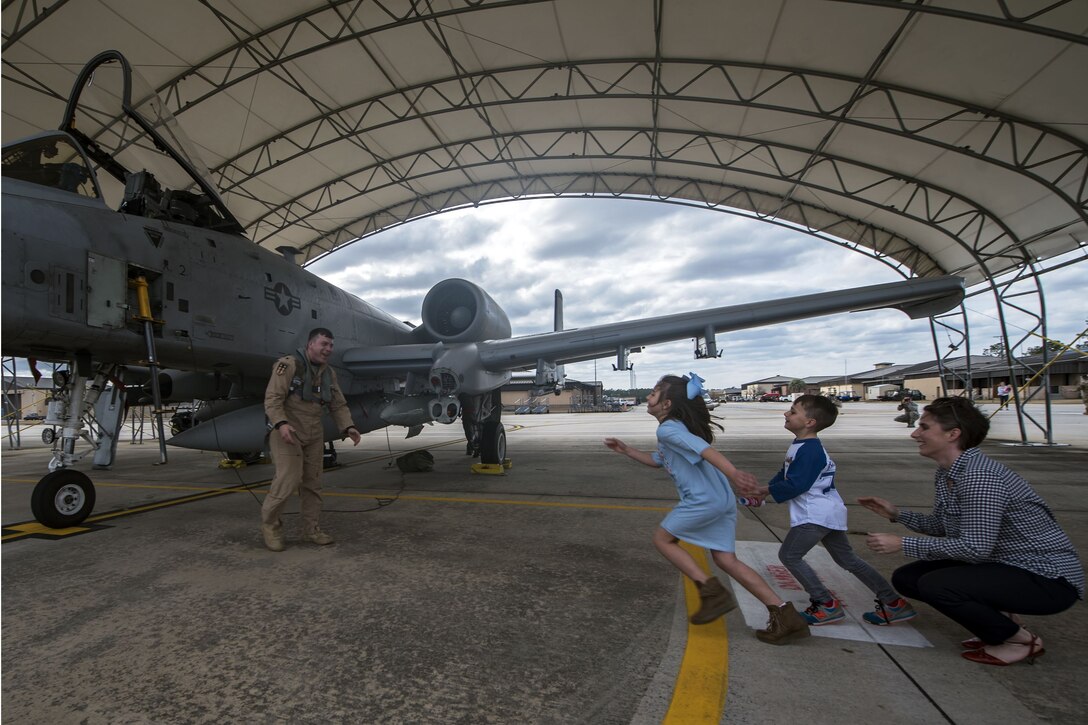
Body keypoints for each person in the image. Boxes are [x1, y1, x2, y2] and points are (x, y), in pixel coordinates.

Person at [860, 397, 1084, 666]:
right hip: (1005, 564)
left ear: (953, 434)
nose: (915, 433)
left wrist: (903, 544)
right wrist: (898, 515)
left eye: (924, 427)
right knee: (909, 578)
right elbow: (947, 527)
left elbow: (975, 548)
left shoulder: (979, 477)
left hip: (1046, 577)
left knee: (937, 585)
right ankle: (1004, 619)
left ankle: (1017, 640)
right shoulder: (950, 473)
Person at [604, 373, 810, 645]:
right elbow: (660, 460)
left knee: (662, 540)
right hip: (719, 499)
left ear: (666, 404)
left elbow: (704, 450)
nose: (648, 398)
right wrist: (627, 450)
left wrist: (735, 473)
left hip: (703, 500)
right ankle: (785, 614)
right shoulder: (674, 429)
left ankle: (711, 591)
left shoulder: (668, 429)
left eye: (654, 393)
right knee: (726, 560)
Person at [743, 395, 916, 627]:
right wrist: (764, 491)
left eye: (793, 411)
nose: (786, 414)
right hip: (828, 512)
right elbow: (786, 474)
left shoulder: (809, 450)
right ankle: (894, 603)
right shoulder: (802, 446)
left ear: (810, 422)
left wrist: (768, 491)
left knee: (789, 556)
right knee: (848, 560)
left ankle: (825, 604)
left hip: (814, 515)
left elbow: (796, 484)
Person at [261, 327, 362, 551]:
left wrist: (348, 426)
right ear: (310, 345)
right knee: (288, 480)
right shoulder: (288, 366)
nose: (328, 349)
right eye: (324, 344)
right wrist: (281, 423)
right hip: (287, 432)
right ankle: (271, 525)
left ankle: (311, 529)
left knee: (313, 484)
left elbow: (338, 403)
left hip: (314, 433)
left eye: (331, 345)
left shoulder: (328, 373)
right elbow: (272, 399)